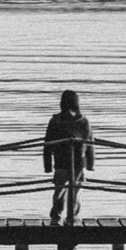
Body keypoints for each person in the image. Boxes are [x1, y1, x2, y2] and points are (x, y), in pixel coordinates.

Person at [42, 89, 95, 224]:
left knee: (61, 190)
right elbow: (90, 144)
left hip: (64, 161)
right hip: (76, 162)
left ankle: (57, 218)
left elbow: (47, 145)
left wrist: (47, 165)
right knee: (74, 191)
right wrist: (90, 164)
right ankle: (72, 218)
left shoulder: (56, 121)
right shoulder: (82, 121)